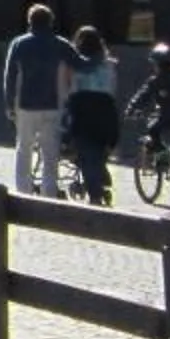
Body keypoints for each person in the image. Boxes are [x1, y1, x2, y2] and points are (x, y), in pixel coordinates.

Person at [0, 4, 84, 196]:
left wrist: (9, 103)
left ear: (30, 21)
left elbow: (10, 76)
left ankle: (23, 191)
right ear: (50, 22)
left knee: (24, 149)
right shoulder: (60, 43)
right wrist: (100, 60)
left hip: (25, 105)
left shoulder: (19, 43)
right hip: (52, 104)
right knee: (51, 151)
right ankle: (49, 193)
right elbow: (80, 63)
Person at [63, 26, 118, 205]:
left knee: (85, 152)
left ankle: (95, 194)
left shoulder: (74, 64)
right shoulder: (109, 65)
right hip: (106, 109)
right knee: (100, 149)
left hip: (82, 108)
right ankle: (101, 177)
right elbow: (112, 90)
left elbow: (69, 90)